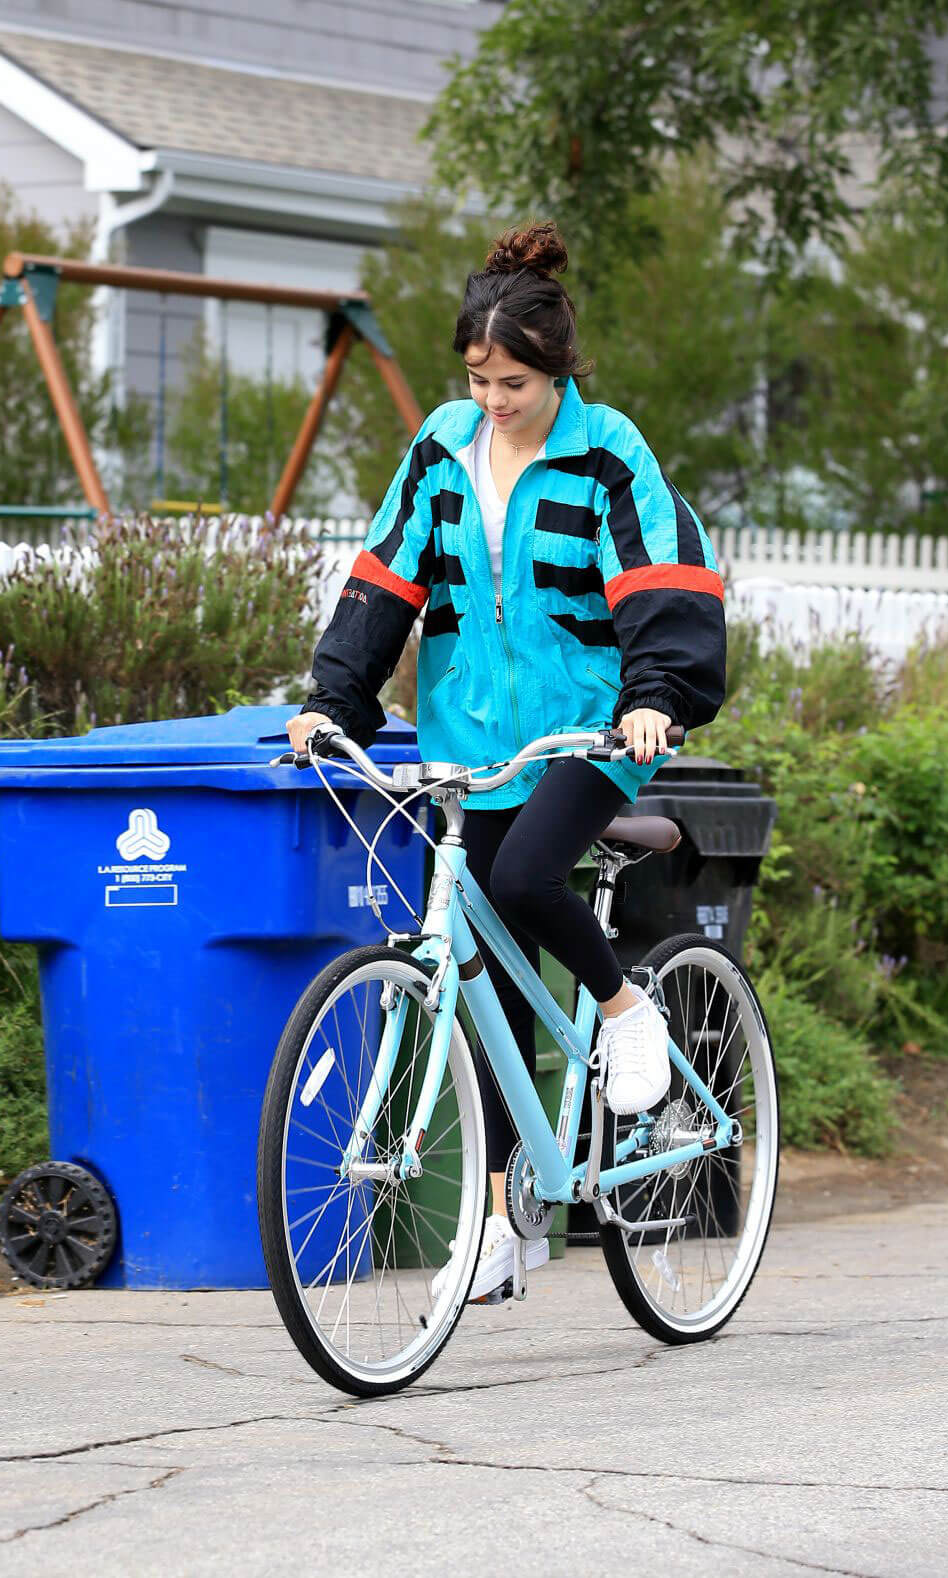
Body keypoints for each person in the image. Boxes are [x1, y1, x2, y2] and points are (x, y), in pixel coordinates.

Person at [287, 221, 727, 1302]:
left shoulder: (607, 452)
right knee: (482, 981)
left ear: (558, 369)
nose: (495, 399)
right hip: (470, 741)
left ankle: (630, 1019)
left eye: (515, 381)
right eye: (480, 377)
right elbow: (388, 578)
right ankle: (499, 1224)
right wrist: (331, 699)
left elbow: (662, 577)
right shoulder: (440, 448)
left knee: (529, 880)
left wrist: (653, 701)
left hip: (590, 731)